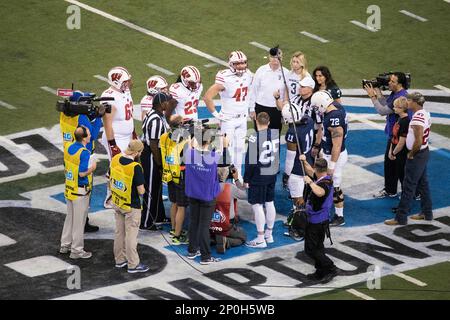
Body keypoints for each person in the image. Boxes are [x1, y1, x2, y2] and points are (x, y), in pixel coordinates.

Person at [385, 92, 433, 226]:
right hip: (424, 151)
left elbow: (417, 140)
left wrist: (411, 154)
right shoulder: (425, 114)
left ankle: (400, 217)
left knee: (408, 186)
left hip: (417, 154)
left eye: (410, 100)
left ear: (415, 102)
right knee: (423, 184)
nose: (407, 102)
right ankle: (427, 212)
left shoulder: (417, 118)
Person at [204, 51, 254, 177]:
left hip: (242, 118)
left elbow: (253, 91)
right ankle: (223, 177)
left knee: (239, 150)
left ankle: (238, 177)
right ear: (231, 64)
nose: (242, 66)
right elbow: (207, 97)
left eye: (243, 63)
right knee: (227, 150)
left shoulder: (248, 74)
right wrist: (217, 115)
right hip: (229, 120)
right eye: (238, 63)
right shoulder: (224, 77)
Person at [59, 91, 103, 232]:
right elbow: (92, 135)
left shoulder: (64, 114)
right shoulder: (81, 117)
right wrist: (98, 118)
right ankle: (81, 222)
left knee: (71, 189)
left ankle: (75, 221)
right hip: (82, 156)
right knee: (84, 192)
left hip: (69, 155)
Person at [364, 72, 409, 198]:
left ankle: (410, 192)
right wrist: (377, 90)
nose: (389, 83)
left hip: (400, 135)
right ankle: (391, 190)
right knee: (391, 164)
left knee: (400, 167)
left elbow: (382, 111)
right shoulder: (396, 94)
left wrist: (372, 96)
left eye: (392, 81)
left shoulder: (401, 97)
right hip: (394, 133)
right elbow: (385, 104)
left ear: (399, 84)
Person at [184, 124, 224, 265]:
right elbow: (223, 144)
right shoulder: (213, 156)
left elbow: (191, 143)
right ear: (209, 141)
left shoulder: (189, 153)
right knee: (203, 226)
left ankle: (192, 250)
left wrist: (196, 136)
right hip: (207, 196)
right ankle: (206, 256)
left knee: (194, 222)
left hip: (193, 194)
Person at [110, 139, 149, 273]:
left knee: (119, 233)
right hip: (131, 205)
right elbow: (141, 190)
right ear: (138, 152)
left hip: (117, 201)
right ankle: (133, 264)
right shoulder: (135, 167)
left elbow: (109, 177)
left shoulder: (115, 158)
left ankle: (119, 260)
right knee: (131, 235)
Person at [311, 91, 348, 227]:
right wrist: (318, 145)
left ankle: (339, 216)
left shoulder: (334, 118)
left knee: (335, 186)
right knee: (324, 182)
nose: (316, 109)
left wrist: (331, 165)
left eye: (316, 106)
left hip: (335, 156)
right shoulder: (335, 107)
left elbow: (336, 145)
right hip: (330, 152)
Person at [101, 66, 136, 209]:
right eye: (125, 81)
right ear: (116, 82)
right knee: (116, 168)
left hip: (127, 136)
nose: (128, 83)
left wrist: (133, 133)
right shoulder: (108, 96)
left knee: (128, 166)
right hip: (116, 137)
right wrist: (112, 144)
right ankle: (110, 197)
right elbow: (107, 123)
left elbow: (129, 114)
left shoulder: (125, 90)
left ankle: (124, 193)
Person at [60, 126, 97, 259]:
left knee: (70, 218)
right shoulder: (84, 152)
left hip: (69, 187)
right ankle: (76, 251)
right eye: (88, 134)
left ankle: (65, 245)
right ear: (85, 137)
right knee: (79, 222)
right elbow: (82, 173)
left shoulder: (68, 147)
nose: (90, 135)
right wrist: (92, 168)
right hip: (80, 190)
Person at [299, 155, 337, 284]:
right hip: (320, 221)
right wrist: (304, 161)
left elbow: (320, 192)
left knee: (310, 249)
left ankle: (330, 268)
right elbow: (310, 171)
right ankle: (321, 271)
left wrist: (309, 182)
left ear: (318, 169)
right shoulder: (323, 177)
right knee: (318, 247)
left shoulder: (324, 184)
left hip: (317, 222)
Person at [244, 112, 280, 248]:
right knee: (270, 202)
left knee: (257, 205)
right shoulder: (275, 134)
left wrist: (247, 178)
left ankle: (260, 239)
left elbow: (251, 161)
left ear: (256, 121)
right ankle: (269, 235)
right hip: (272, 172)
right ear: (269, 122)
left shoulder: (254, 137)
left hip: (259, 175)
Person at [141, 92, 170, 230]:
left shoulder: (156, 114)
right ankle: (146, 222)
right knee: (151, 190)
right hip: (152, 156)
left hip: (153, 154)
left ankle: (158, 216)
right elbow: (153, 144)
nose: (168, 103)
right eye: (166, 102)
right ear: (161, 103)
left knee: (156, 188)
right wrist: (159, 164)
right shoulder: (156, 120)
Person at [160, 114, 189, 244]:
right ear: (181, 124)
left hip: (169, 172)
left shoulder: (164, 137)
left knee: (174, 203)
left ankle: (173, 229)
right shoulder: (185, 139)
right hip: (180, 175)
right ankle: (177, 236)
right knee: (182, 207)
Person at [281, 102, 314, 209]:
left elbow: (290, 158)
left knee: (297, 198)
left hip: (297, 168)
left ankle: (299, 218)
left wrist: (286, 175)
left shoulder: (292, 133)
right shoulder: (309, 120)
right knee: (307, 192)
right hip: (308, 161)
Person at [251, 46, 289, 135]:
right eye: (273, 57)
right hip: (261, 107)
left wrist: (285, 111)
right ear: (269, 57)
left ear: (281, 58)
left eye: (278, 57)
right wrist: (251, 109)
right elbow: (253, 90)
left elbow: (287, 94)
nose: (275, 59)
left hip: (277, 109)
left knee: (274, 136)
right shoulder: (261, 70)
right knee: (260, 135)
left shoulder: (286, 73)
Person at [212, 161, 248, 254]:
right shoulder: (231, 187)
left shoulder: (208, 186)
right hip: (226, 224)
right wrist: (236, 179)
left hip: (211, 224)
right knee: (242, 237)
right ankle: (226, 241)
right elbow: (246, 195)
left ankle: (213, 239)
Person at [389, 97, 410, 194]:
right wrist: (391, 150)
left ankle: (408, 195)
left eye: (395, 107)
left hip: (402, 153)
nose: (393, 108)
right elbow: (394, 137)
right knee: (399, 173)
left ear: (401, 108)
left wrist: (393, 152)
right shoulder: (399, 118)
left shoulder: (405, 121)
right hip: (397, 152)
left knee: (403, 175)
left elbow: (402, 142)